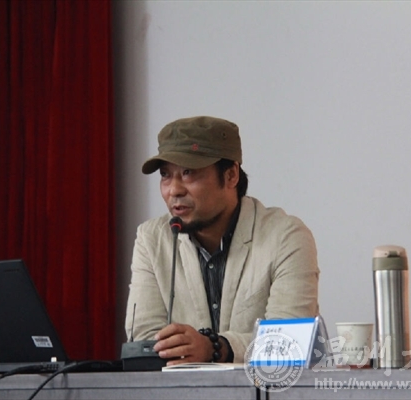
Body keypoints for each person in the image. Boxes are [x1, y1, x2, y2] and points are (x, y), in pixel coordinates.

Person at [125, 116, 319, 365]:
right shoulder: (151, 239)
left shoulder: (285, 236)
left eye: (188, 173)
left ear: (231, 175)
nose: (174, 190)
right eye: (165, 175)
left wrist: (216, 348)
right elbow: (144, 340)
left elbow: (290, 341)